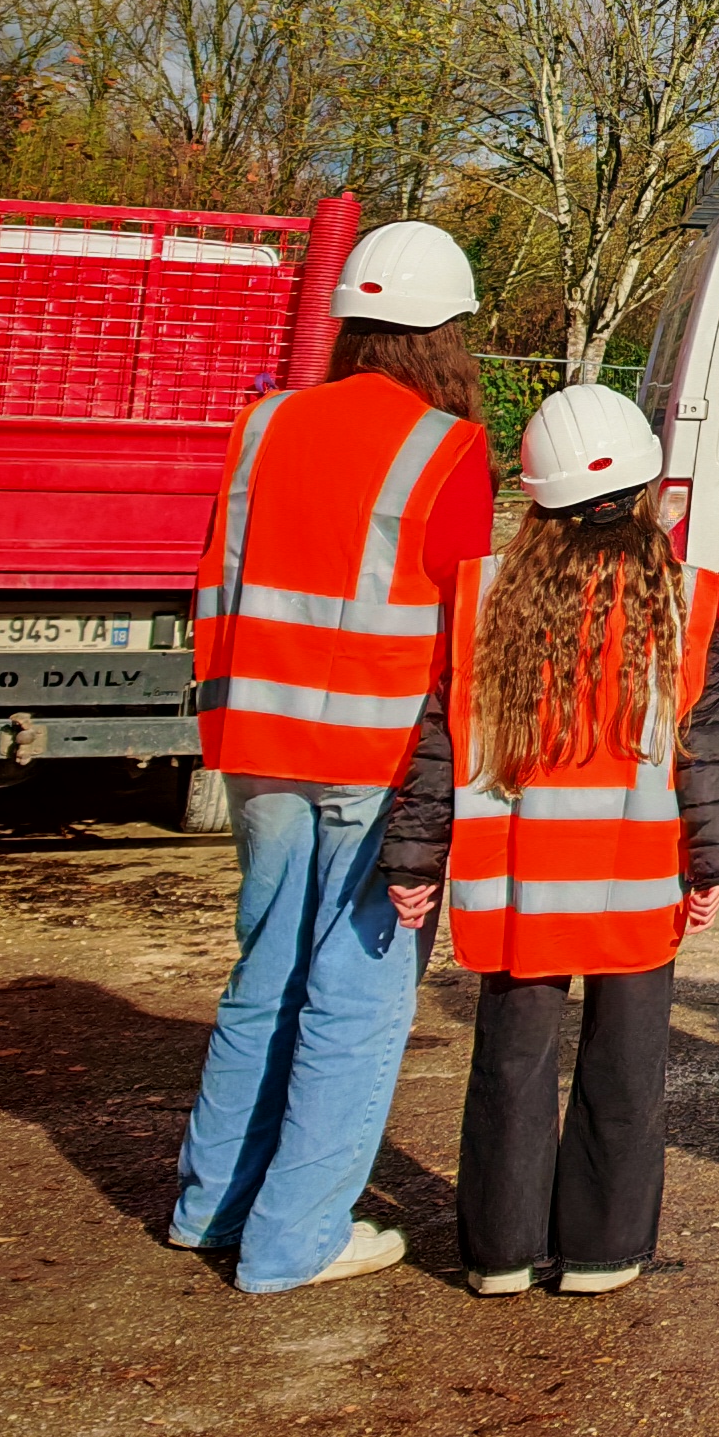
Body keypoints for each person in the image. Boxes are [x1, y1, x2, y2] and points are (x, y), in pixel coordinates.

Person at [168, 220, 500, 1294]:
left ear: (353, 326)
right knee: (357, 998)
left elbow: (220, 575)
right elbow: (464, 631)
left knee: (263, 975)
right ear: (447, 334)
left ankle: (210, 1207)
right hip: (374, 757)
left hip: (253, 746)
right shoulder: (445, 448)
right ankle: (295, 1238)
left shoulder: (262, 425)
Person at [383, 385, 719, 1294]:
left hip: (516, 892)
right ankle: (603, 1249)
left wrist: (414, 857)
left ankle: (501, 1254)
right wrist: (712, 865)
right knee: (626, 1070)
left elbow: (435, 741)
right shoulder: (685, 601)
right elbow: (706, 751)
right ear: (645, 490)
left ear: (536, 498)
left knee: (510, 1066)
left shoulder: (480, 596)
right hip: (633, 887)